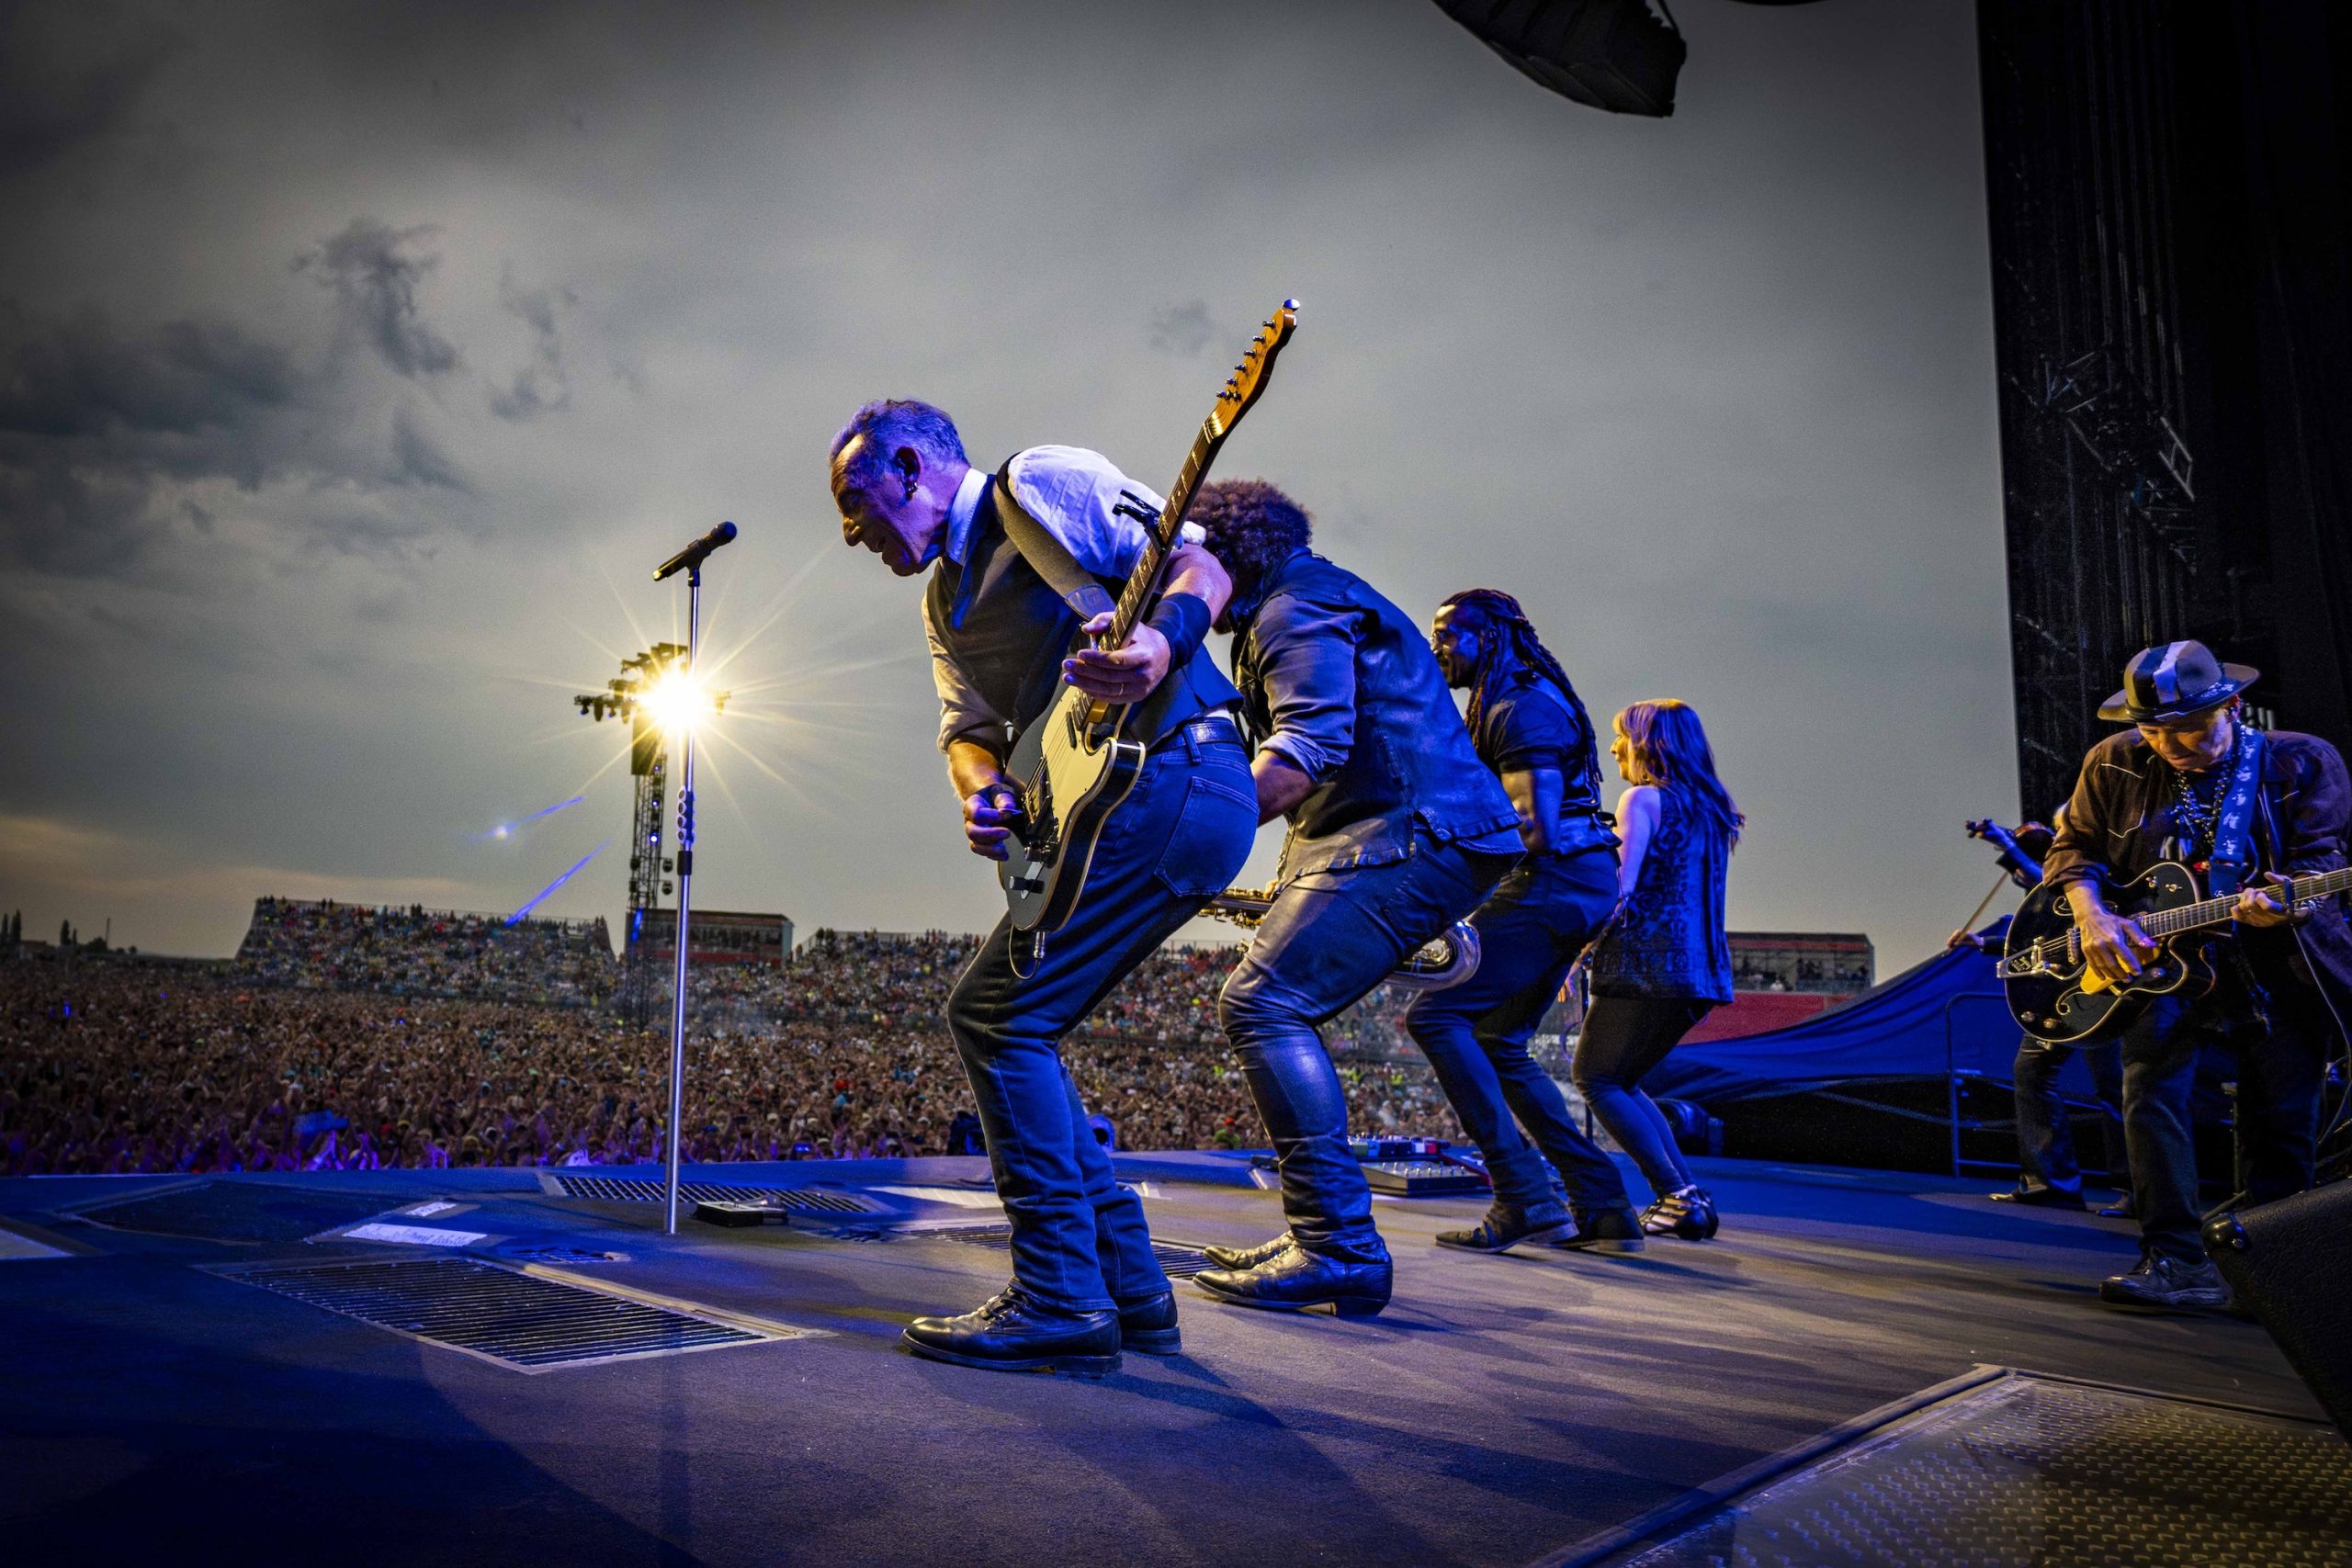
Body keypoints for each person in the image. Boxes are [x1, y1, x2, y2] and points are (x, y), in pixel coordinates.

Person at [829, 399, 1256, 1374]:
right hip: (1108, 807)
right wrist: (981, 793)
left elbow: (1201, 566)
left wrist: (1160, 645)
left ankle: (1061, 1293)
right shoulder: (941, 603)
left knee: (995, 1016)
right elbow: (967, 732)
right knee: (1017, 1023)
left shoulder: (1037, 483)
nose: (849, 532)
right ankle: (1128, 1285)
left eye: (855, 501)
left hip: (1175, 769)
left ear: (909, 465)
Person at [1182, 479, 1524, 1315]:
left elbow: (1310, 746)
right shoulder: (1305, 594)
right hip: (1407, 827)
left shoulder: (1290, 608)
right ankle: (1323, 1232)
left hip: (1413, 829)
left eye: (1192, 565)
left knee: (1263, 1003)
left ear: (1226, 555)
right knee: (1268, 1002)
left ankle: (1337, 1242)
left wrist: (1194, 833)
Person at [2041, 639, 2351, 1311]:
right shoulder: (2114, 759)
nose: (2169, 744)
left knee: (2280, 1118)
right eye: (2152, 730)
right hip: (2163, 966)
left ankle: (2267, 1275)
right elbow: (2074, 848)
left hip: (2279, 961)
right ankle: (2173, 1259)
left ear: (2232, 706)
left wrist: (2291, 899)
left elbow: (2322, 861)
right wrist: (2092, 916)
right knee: (2150, 1096)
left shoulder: (2301, 758)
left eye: (2187, 727)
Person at [1403, 589, 1645, 1253]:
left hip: (1554, 880)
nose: (1436, 648)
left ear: (1490, 636)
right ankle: (1603, 1205)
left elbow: (1532, 828)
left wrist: (1431, 870)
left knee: (1436, 1017)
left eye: (1448, 634)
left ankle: (1523, 1195)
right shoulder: (1510, 699)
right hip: (1574, 882)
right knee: (1498, 1040)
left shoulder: (1520, 706)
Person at [1575, 700, 1740, 1241]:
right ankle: (1687, 1197)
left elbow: (1619, 890)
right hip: (1700, 973)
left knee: (1596, 1079)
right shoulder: (1712, 811)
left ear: (1650, 744)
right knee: (1623, 1081)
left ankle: (1675, 1195)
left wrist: (1576, 950)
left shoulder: (1643, 799)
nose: (1613, 747)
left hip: (1643, 966)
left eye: (1622, 737)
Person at [1951, 817, 2132, 1214]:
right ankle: (2050, 1183)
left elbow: (2047, 881)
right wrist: (1985, 943)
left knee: (2114, 1087)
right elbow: (2045, 931)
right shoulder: (2059, 876)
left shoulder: (2099, 873)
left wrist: (2006, 846)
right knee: (2032, 1073)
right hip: (2062, 992)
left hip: (2107, 989)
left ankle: (2137, 1191)